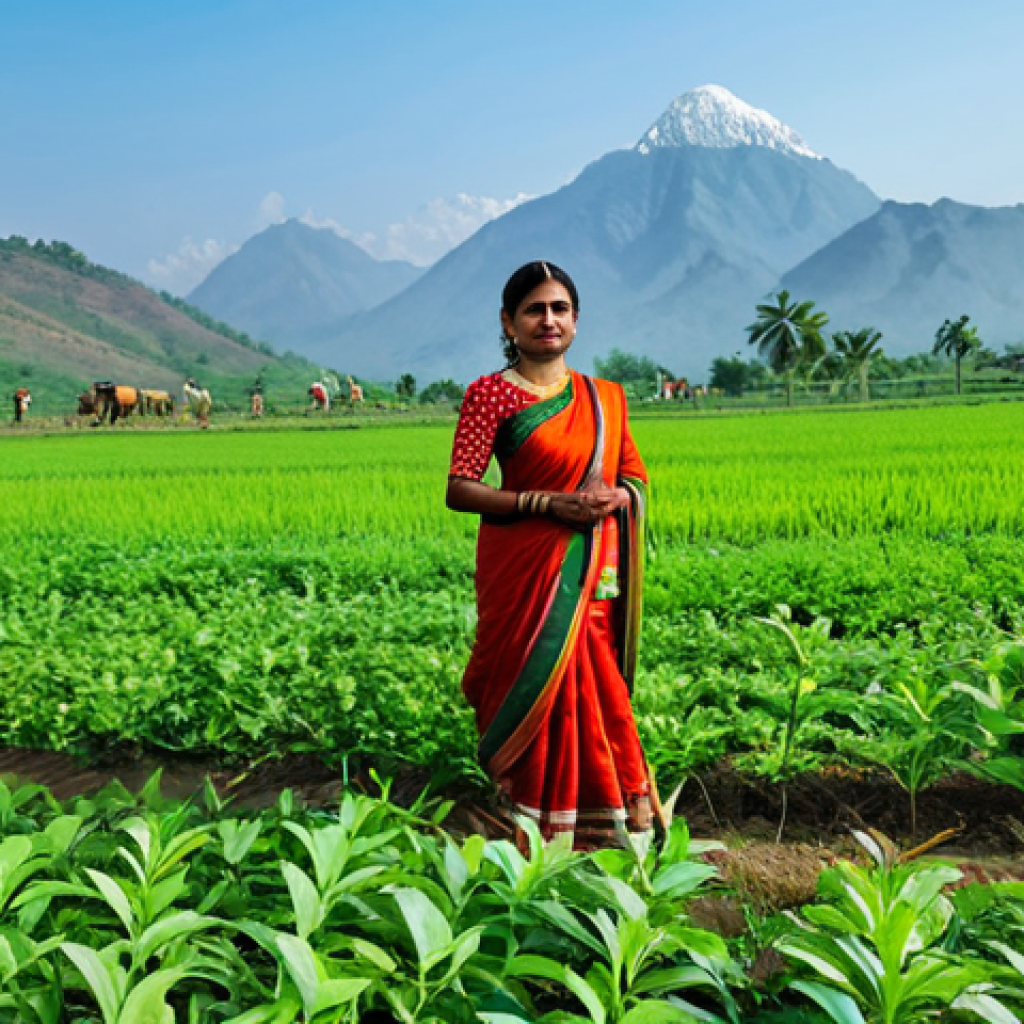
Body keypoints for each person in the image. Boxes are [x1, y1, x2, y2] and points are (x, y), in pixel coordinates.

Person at [446, 260, 661, 850]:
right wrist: (546, 502)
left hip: (587, 570)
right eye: (534, 310)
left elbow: (634, 478)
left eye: (559, 309)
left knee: (596, 686)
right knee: (524, 678)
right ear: (508, 322)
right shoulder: (489, 395)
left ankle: (613, 819)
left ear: (576, 319)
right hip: (523, 569)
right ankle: (529, 816)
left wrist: (618, 497)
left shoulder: (604, 399)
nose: (548, 320)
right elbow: (460, 488)